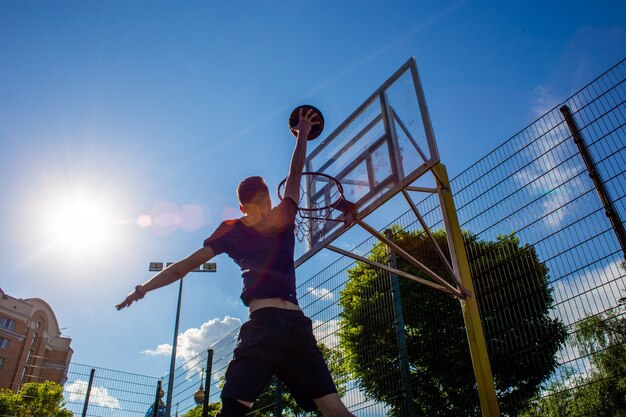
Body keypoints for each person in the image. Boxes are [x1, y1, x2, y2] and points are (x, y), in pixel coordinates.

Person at [117, 108, 356, 417]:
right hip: (295, 326)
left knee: (236, 411)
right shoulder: (280, 217)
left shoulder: (235, 228)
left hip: (269, 326)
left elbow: (183, 266)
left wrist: (142, 289)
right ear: (266, 200)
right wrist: (302, 135)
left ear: (242, 205)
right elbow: (295, 172)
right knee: (334, 410)